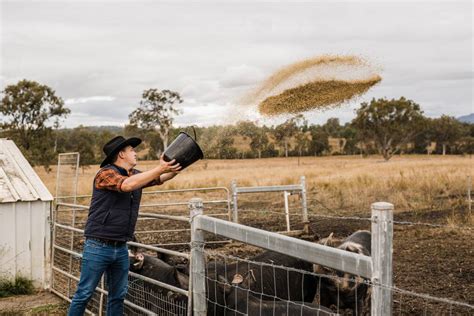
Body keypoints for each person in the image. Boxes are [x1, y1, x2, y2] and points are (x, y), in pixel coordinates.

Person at [68, 136, 181, 316]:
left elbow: (161, 178)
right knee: (84, 293)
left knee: (118, 295)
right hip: (98, 246)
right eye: (131, 150)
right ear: (121, 154)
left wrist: (177, 165)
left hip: (121, 247)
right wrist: (159, 167)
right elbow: (127, 186)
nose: (135, 153)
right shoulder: (105, 174)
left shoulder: (135, 175)